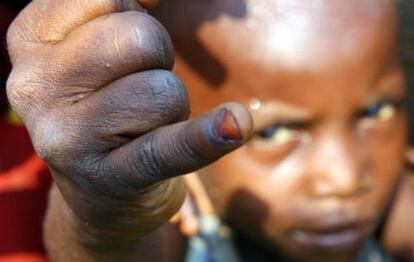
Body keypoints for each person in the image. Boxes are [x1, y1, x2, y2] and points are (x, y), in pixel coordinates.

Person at [2, 0, 412, 261]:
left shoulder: (398, 203)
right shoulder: (180, 224)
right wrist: (111, 202)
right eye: (276, 134)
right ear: (170, 120)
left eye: (377, 111)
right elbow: (107, 244)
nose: (344, 179)